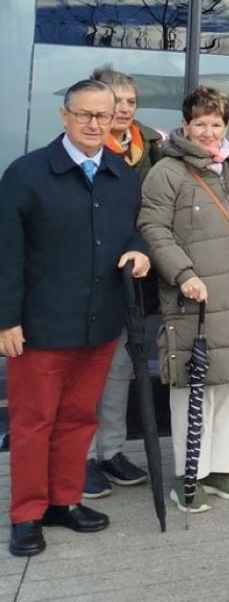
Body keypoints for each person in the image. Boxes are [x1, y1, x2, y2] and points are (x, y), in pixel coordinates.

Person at [0, 79, 151, 557]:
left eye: (102, 116)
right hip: (39, 328)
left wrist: (139, 252)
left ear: (114, 121)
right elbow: (6, 253)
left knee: (77, 419)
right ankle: (27, 514)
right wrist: (5, 321)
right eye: (84, 114)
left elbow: (135, 232)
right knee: (32, 423)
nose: (93, 124)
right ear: (64, 117)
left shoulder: (122, 175)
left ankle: (64, 501)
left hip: (99, 323)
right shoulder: (26, 174)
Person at [138, 86, 229, 513]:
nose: (209, 132)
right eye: (201, 124)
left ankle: (223, 469)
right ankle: (188, 472)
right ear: (186, 126)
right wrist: (183, 273)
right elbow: (154, 229)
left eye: (216, 123)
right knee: (195, 385)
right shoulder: (167, 171)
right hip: (193, 298)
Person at [83, 65, 163, 499]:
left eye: (131, 101)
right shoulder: (85, 152)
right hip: (93, 277)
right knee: (86, 373)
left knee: (120, 369)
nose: (124, 108)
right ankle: (83, 457)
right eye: (117, 100)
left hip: (135, 276)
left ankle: (110, 450)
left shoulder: (150, 147)